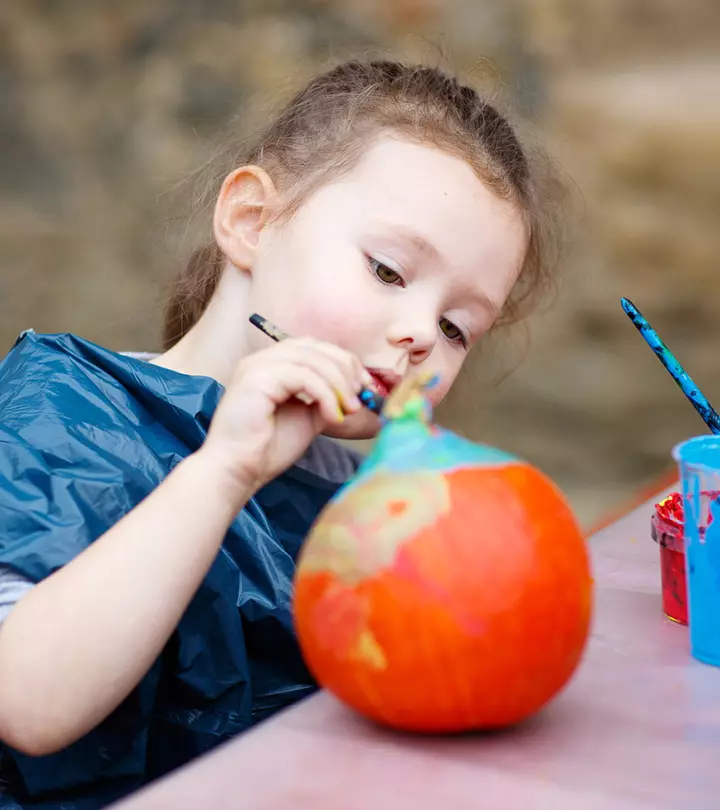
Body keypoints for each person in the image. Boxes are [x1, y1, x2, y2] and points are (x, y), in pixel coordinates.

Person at [0, 59, 564, 808]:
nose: (422, 334)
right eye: (390, 273)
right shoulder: (60, 406)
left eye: (458, 328)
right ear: (251, 221)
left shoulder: (352, 495)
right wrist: (224, 470)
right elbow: (27, 701)